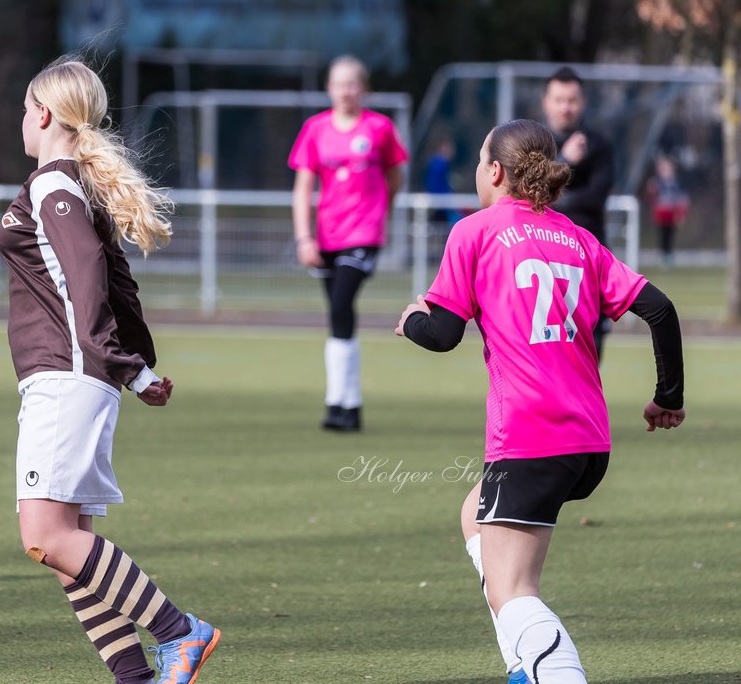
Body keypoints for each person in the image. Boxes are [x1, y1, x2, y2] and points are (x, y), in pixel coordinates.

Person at [396, 119, 685, 683]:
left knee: (515, 593)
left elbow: (445, 333)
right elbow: (661, 310)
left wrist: (410, 321)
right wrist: (666, 398)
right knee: (473, 516)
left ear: (496, 172)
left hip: (530, 437)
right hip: (587, 440)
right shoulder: (577, 237)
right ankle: (524, 666)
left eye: (481, 162)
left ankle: (555, 673)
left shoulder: (474, 231)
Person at [0, 58, 220, 684]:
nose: (22, 120)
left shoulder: (51, 189)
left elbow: (85, 285)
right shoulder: (74, 189)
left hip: (67, 374)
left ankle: (181, 632)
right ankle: (134, 676)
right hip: (79, 374)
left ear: (42, 113)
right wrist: (136, 366)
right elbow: (116, 283)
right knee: (72, 550)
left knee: (44, 537)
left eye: (23, 108)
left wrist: (125, 366)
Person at [290, 55, 409, 432]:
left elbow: (395, 178)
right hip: (326, 235)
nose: (345, 91)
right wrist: (303, 236)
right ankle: (346, 406)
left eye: (352, 83)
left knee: (342, 303)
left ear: (364, 88)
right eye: (338, 84)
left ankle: (339, 404)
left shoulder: (379, 128)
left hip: (363, 234)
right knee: (338, 314)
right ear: (329, 88)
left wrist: (378, 213)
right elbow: (303, 187)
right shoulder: (315, 129)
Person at [539, 67, 616, 360]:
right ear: (546, 101)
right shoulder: (534, 146)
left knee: (589, 356)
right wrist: (564, 162)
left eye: (571, 100)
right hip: (540, 261)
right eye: (559, 99)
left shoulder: (599, 146)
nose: (565, 107)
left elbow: (595, 198)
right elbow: (525, 195)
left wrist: (550, 198)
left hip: (588, 260)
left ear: (582, 102)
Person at [646, 154, 689, 266]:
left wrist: (680, 213)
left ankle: (669, 255)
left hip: (671, 213)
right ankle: (662, 255)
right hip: (661, 213)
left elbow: (681, 199)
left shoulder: (676, 183)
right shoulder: (656, 183)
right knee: (662, 234)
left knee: (670, 234)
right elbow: (652, 198)